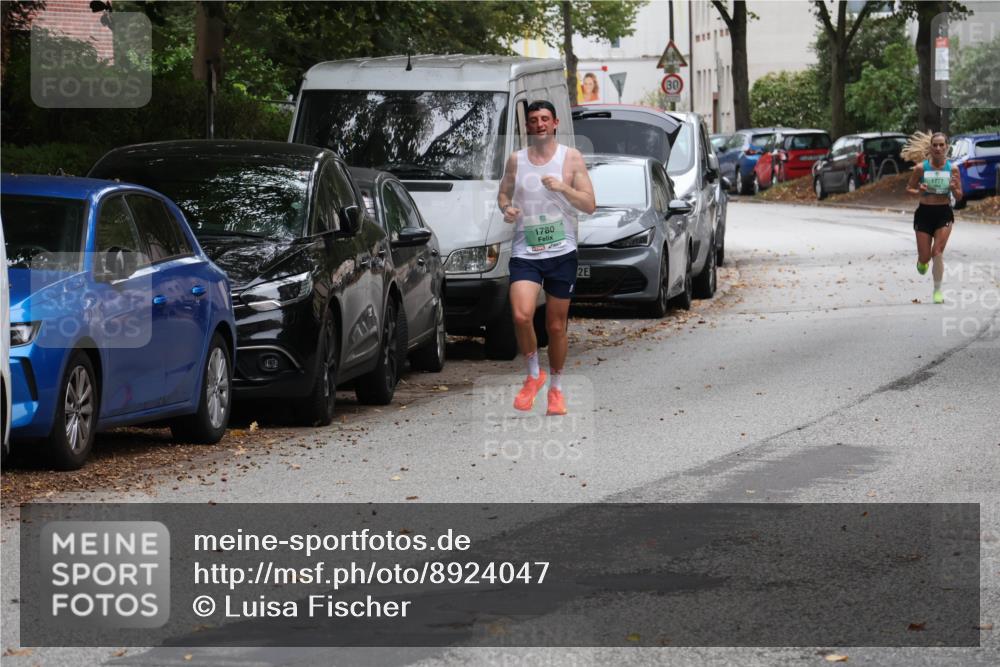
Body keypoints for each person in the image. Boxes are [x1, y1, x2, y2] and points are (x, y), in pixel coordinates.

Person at [497, 100, 596, 416]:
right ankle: (533, 375)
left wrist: (564, 187)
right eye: (533, 120)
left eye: (544, 119)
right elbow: (503, 193)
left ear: (555, 123)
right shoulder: (517, 160)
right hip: (526, 250)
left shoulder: (571, 158)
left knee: (555, 327)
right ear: (527, 127)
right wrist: (506, 208)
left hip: (561, 252)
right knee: (522, 315)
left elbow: (590, 204)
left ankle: (556, 389)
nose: (539, 124)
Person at [904, 131, 962, 304]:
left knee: (937, 252)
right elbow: (909, 189)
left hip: (943, 212)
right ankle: (922, 262)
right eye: (935, 145)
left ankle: (937, 290)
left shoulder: (953, 169)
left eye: (941, 145)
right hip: (924, 214)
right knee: (925, 257)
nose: (938, 148)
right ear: (930, 147)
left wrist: (953, 189)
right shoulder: (921, 168)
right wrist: (919, 191)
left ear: (946, 147)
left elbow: (959, 196)